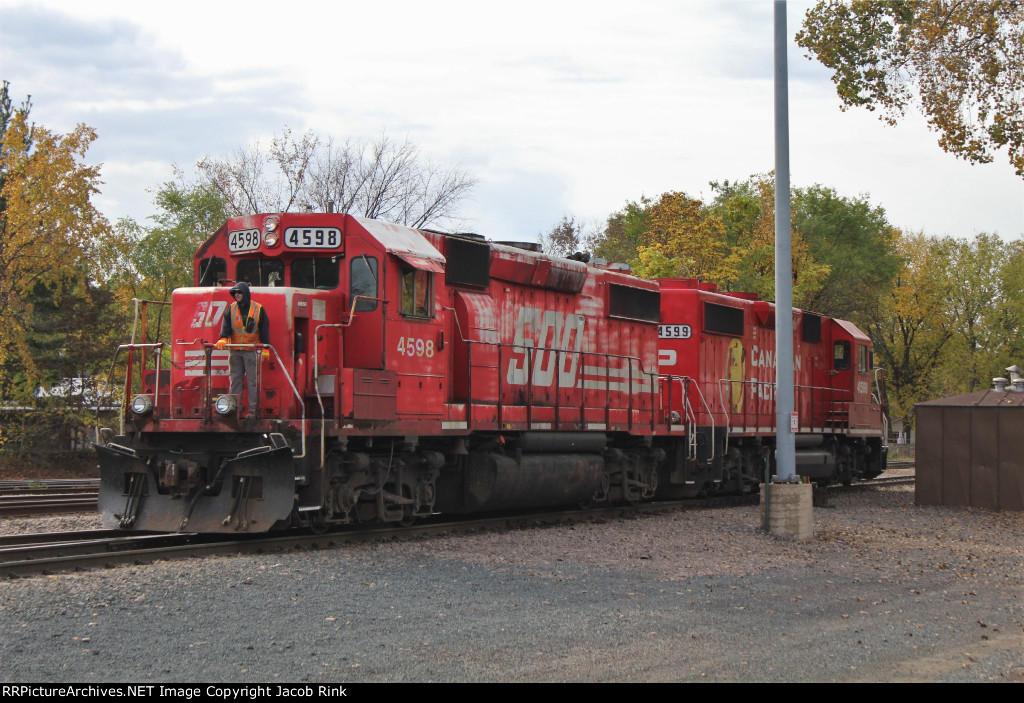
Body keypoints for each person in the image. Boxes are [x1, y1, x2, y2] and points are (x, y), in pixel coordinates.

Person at [215, 282, 270, 418]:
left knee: (253, 382)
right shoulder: (231, 309)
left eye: (239, 292)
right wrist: (223, 338)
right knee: (235, 381)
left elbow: (264, 329)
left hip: (251, 351)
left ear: (245, 293)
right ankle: (234, 411)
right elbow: (226, 325)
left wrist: (266, 348)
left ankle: (253, 412)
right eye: (235, 293)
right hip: (235, 351)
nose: (237, 295)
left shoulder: (258, 309)